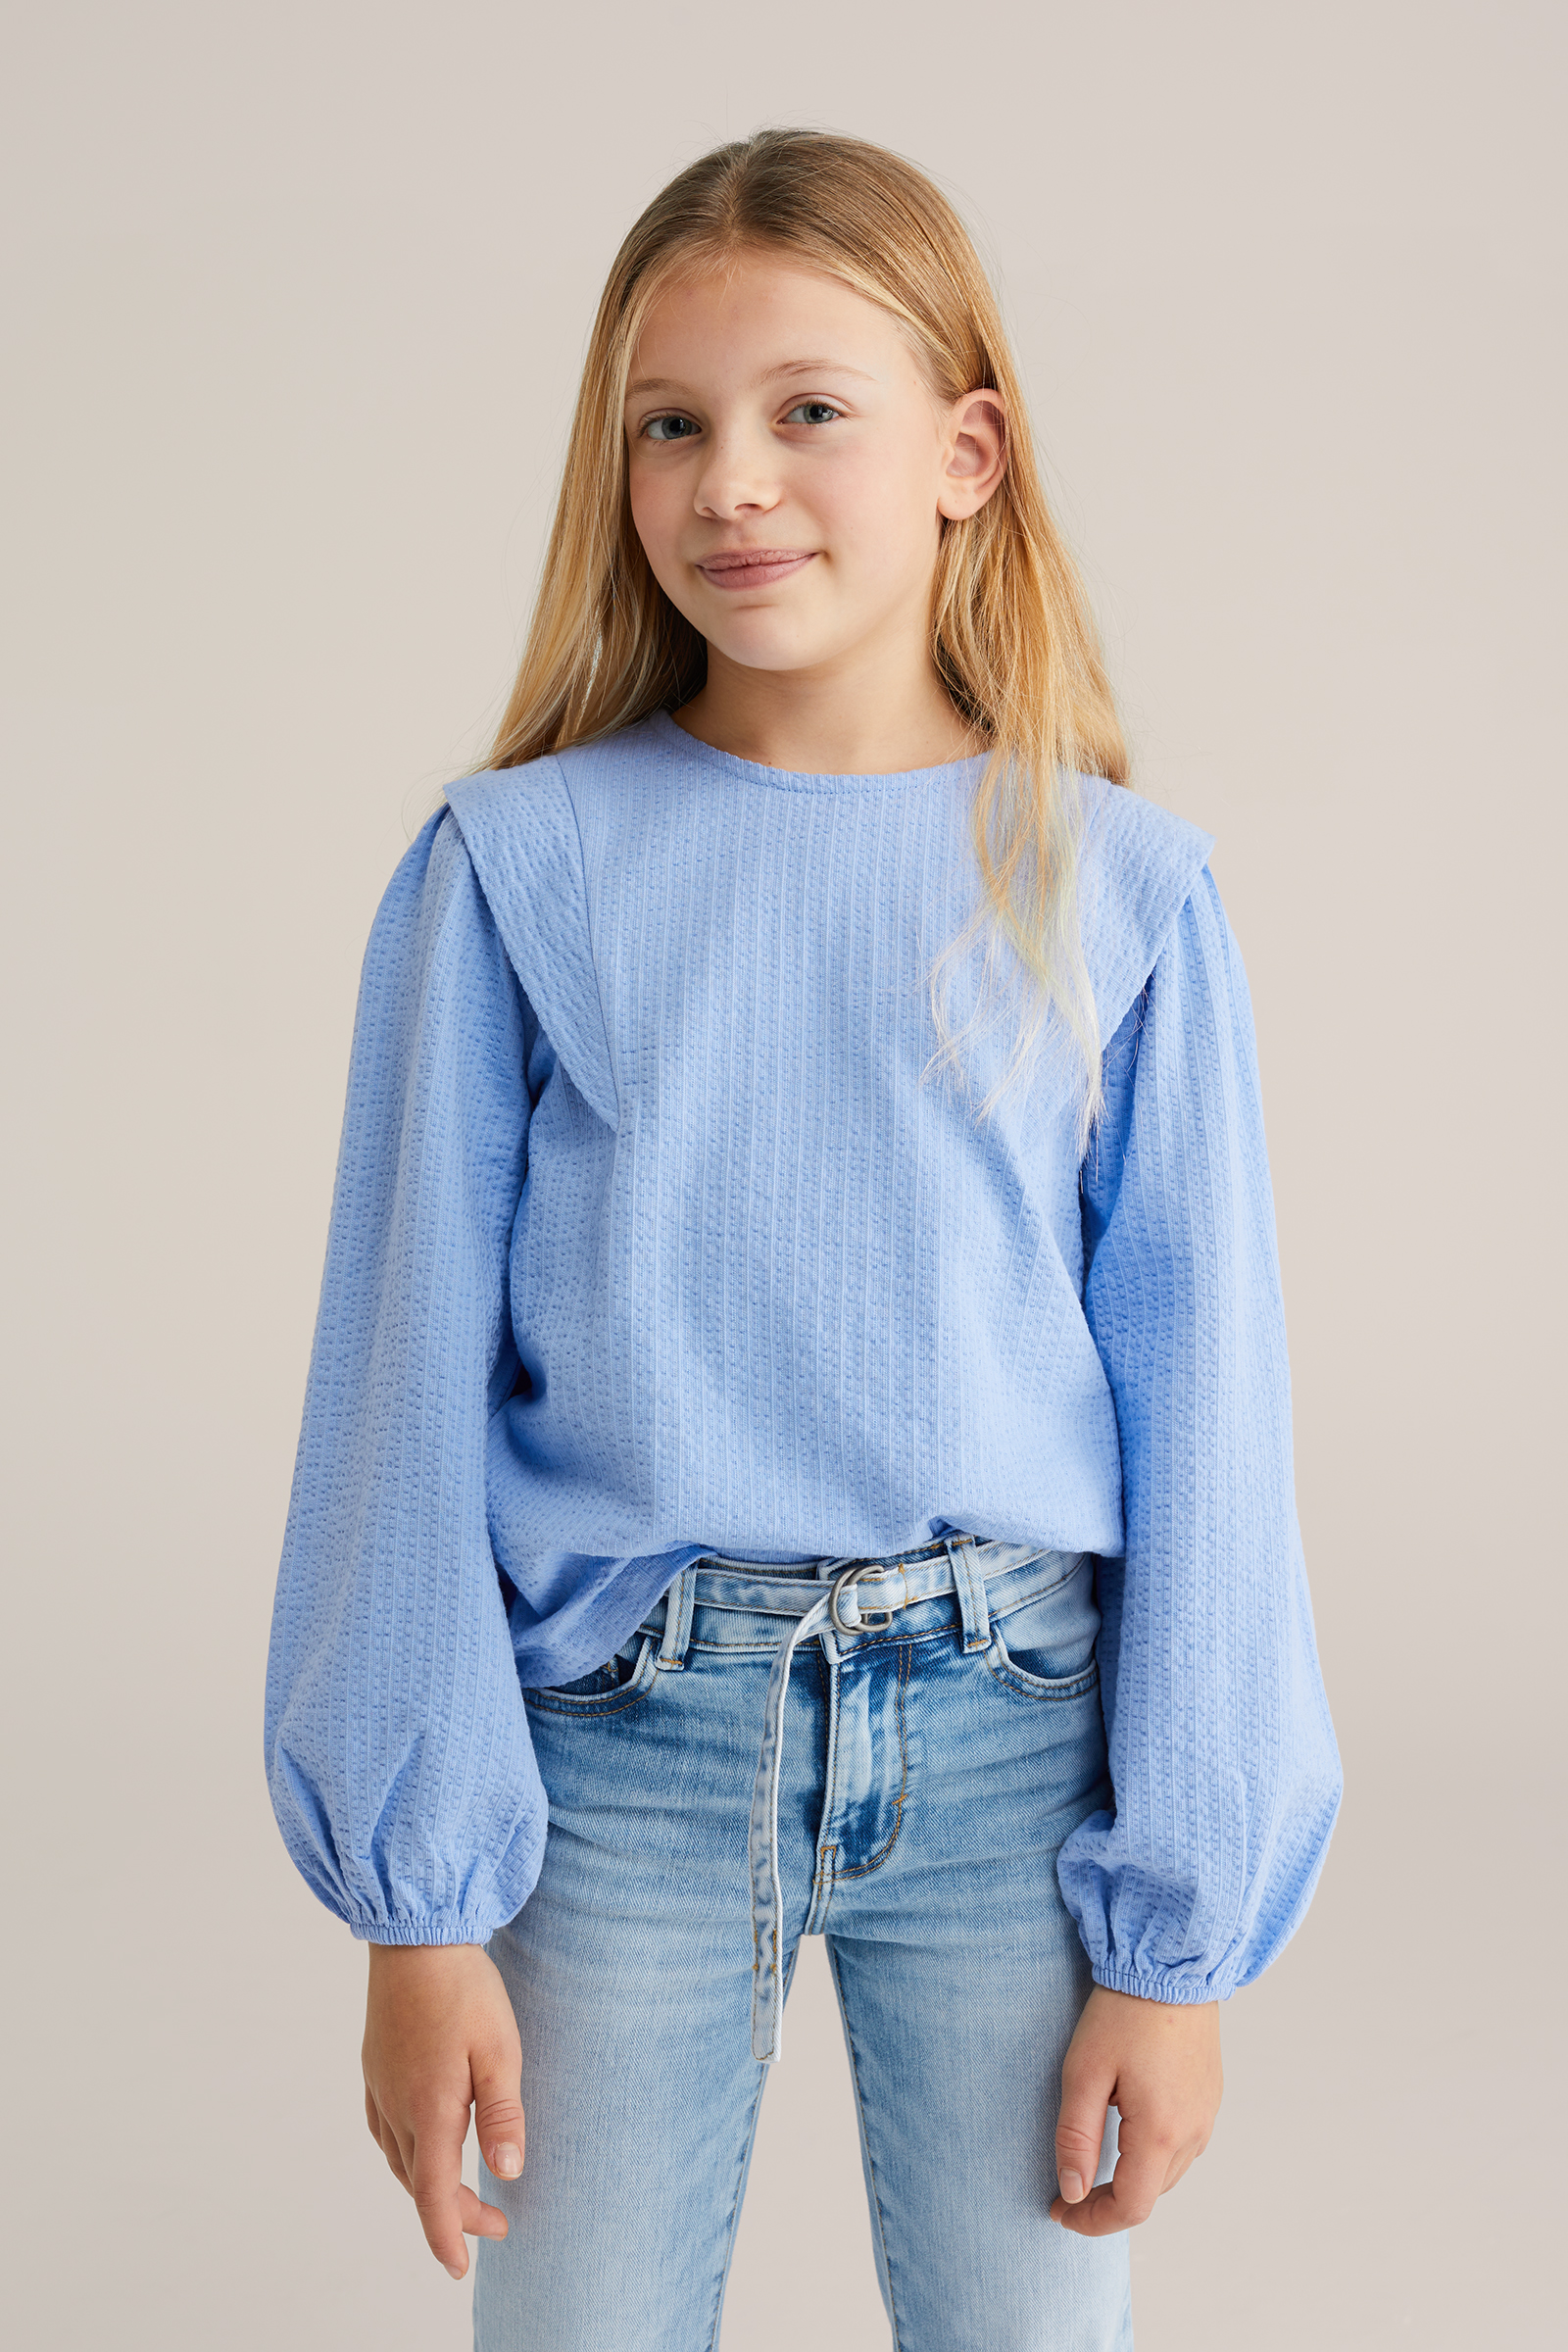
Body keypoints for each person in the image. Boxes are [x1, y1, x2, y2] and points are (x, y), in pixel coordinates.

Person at [264, 127, 1342, 2352]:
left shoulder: (1114, 892)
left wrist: (1180, 1944)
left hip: (1012, 1736)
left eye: (807, 411)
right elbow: (396, 1394)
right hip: (618, 1754)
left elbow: (1209, 1424)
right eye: (668, 424)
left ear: (965, 457)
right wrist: (416, 1911)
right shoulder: (516, 869)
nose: (728, 483)